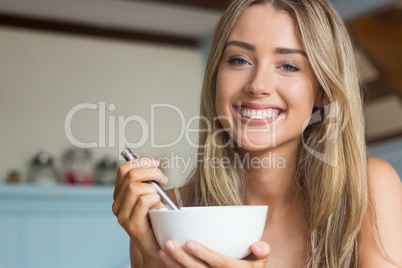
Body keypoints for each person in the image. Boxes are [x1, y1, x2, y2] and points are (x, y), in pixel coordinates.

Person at [112, 0, 402, 267]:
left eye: (288, 65)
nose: (258, 85)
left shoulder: (368, 189)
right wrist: (153, 257)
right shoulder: (166, 216)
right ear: (215, 77)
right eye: (239, 60)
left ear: (323, 92)